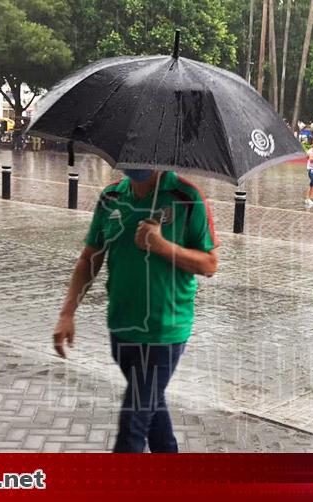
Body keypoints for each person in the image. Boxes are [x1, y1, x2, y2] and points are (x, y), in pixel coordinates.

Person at [52, 168, 218, 453]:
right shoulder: (111, 197)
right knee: (153, 415)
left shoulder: (187, 197)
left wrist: (163, 246)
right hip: (121, 327)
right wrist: (67, 312)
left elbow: (209, 264)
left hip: (165, 331)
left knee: (133, 426)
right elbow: (89, 259)